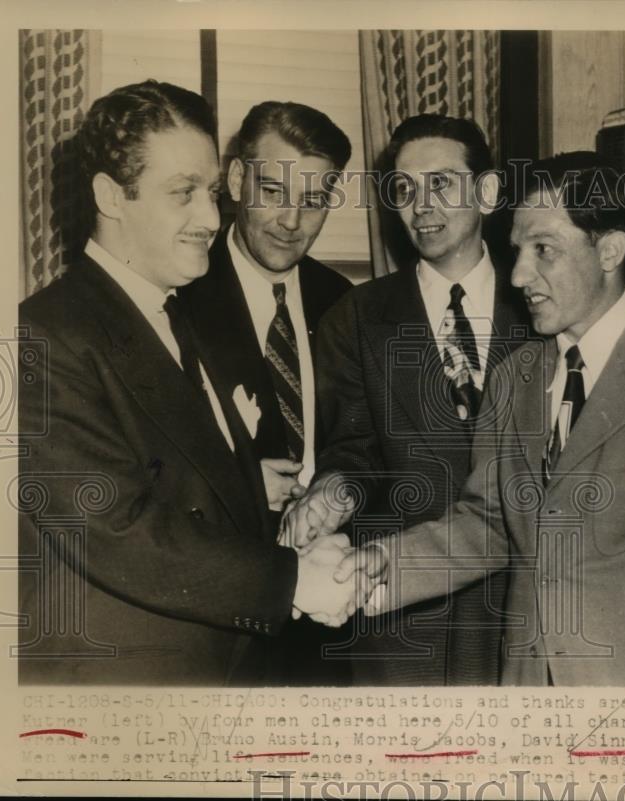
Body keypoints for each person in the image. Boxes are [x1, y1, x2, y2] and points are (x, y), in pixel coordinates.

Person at [319, 152, 625, 686]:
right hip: (527, 696)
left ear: (609, 250)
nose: (517, 275)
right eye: (517, 251)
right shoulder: (515, 378)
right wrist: (383, 564)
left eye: (544, 251)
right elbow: (490, 523)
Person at [17, 80, 378, 685]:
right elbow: (116, 528)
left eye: (210, 194)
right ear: (111, 196)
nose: (211, 217)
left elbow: (202, 476)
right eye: (183, 194)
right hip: (122, 688)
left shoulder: (168, 313)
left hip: (222, 667)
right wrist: (294, 579)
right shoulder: (44, 334)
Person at [302, 114, 530, 685]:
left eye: (442, 183)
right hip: (399, 616)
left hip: (521, 608)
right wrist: (334, 491)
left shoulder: (540, 307)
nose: (421, 206)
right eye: (404, 189)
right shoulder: (355, 318)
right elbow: (350, 450)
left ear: (489, 191)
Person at [178, 101, 354, 683]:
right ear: (234, 180)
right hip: (214, 627)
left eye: (314, 200)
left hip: (333, 624)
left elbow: (368, 443)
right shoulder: (177, 299)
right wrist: (241, 485)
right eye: (274, 191)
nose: (292, 220)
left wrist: (344, 488)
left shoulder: (347, 303)